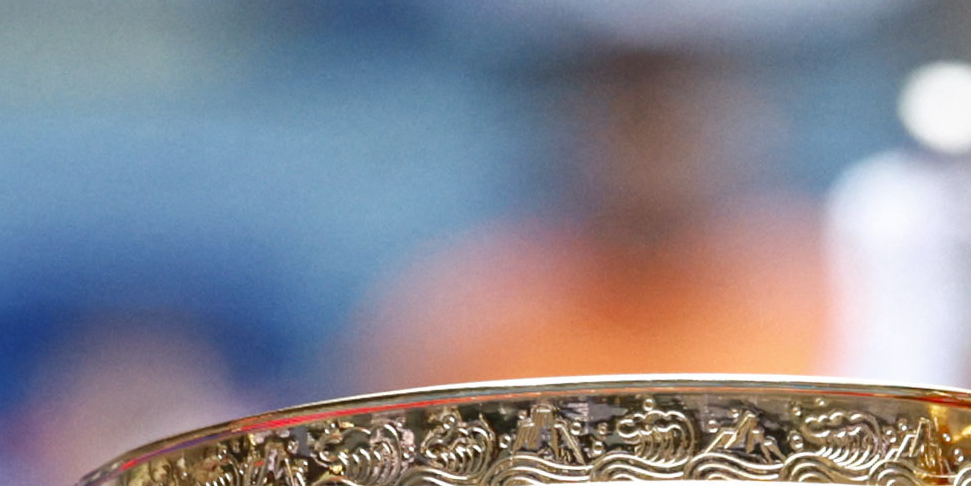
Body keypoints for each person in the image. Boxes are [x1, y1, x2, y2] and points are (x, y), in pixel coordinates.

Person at [339, 41, 829, 394]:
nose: (658, 125)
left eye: (686, 93)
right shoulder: (457, 312)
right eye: (626, 96)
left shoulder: (843, 291)